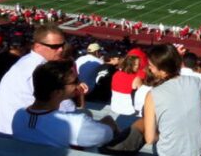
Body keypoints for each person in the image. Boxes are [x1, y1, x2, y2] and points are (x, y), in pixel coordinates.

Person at [12, 60, 144, 152]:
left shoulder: (19, 115)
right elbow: (106, 135)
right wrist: (109, 122)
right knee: (139, 124)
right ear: (58, 92)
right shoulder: (75, 123)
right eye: (75, 81)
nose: (79, 84)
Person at [0, 26, 78, 135]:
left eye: (62, 45)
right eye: (55, 46)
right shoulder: (42, 70)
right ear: (37, 46)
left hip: (9, 127)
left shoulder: (27, 61)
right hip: (18, 133)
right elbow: (68, 109)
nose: (61, 50)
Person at [144, 44, 201, 156]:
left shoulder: (152, 95)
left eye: (151, 66)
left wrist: (167, 132)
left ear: (162, 68)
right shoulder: (196, 81)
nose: (150, 69)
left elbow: (149, 138)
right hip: (200, 149)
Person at [180, 52, 201, 120]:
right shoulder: (199, 76)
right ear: (196, 64)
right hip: (194, 113)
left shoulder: (175, 75)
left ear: (182, 63)